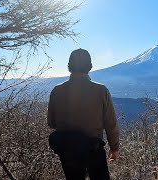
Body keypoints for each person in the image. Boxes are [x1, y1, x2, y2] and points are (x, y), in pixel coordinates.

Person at [47, 48, 119, 180]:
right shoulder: (101, 90)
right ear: (90, 66)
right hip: (94, 149)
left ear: (69, 66)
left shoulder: (57, 91)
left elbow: (51, 123)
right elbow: (111, 123)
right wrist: (114, 148)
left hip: (67, 151)